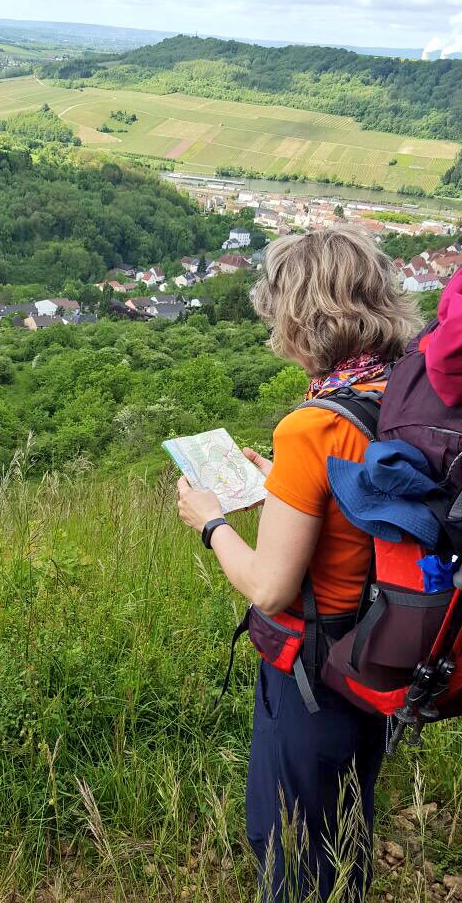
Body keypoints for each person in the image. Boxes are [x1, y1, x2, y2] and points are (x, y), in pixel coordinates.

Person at [176, 227, 421, 902]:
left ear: (296, 314)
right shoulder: (395, 397)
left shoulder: (311, 425)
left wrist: (212, 523)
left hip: (313, 674)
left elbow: (268, 586)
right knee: (344, 827)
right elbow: (361, 511)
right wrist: (285, 484)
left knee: (294, 850)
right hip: (378, 655)